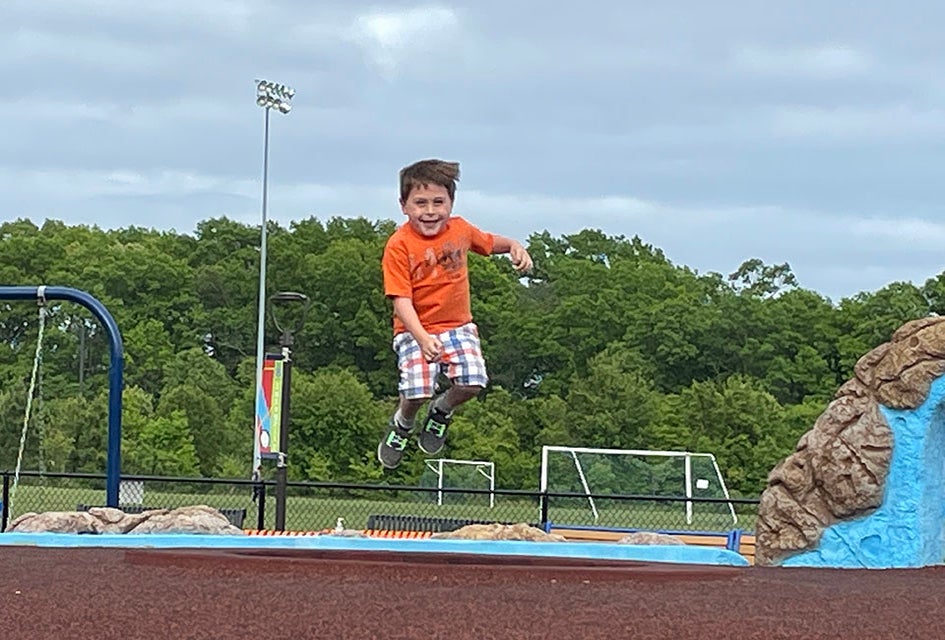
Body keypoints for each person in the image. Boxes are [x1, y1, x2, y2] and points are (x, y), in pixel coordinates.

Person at [377, 159, 533, 469]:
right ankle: (403, 423)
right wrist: (421, 337)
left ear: (451, 203)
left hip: (457, 326)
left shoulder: (460, 230)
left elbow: (489, 242)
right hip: (414, 329)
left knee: (473, 382)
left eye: (438, 202)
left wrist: (514, 245)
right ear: (404, 206)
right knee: (417, 389)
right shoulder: (399, 246)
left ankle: (442, 410)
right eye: (420, 203)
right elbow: (401, 301)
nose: (430, 211)